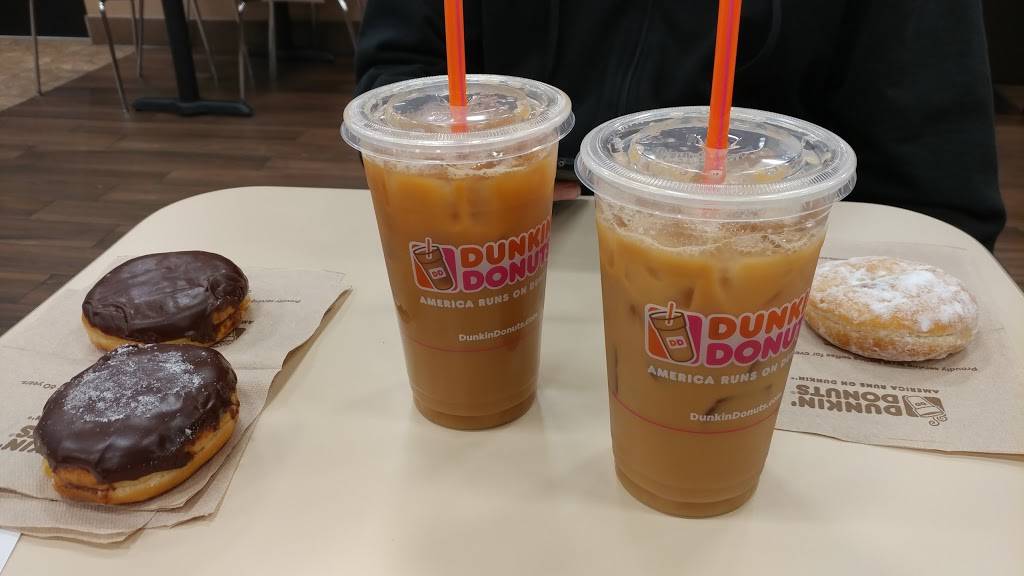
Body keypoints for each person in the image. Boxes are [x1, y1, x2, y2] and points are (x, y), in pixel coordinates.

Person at [354, 0, 1006, 250]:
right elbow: (396, 81)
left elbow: (939, 207)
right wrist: (496, 163)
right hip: (479, 248)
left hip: (760, 299)